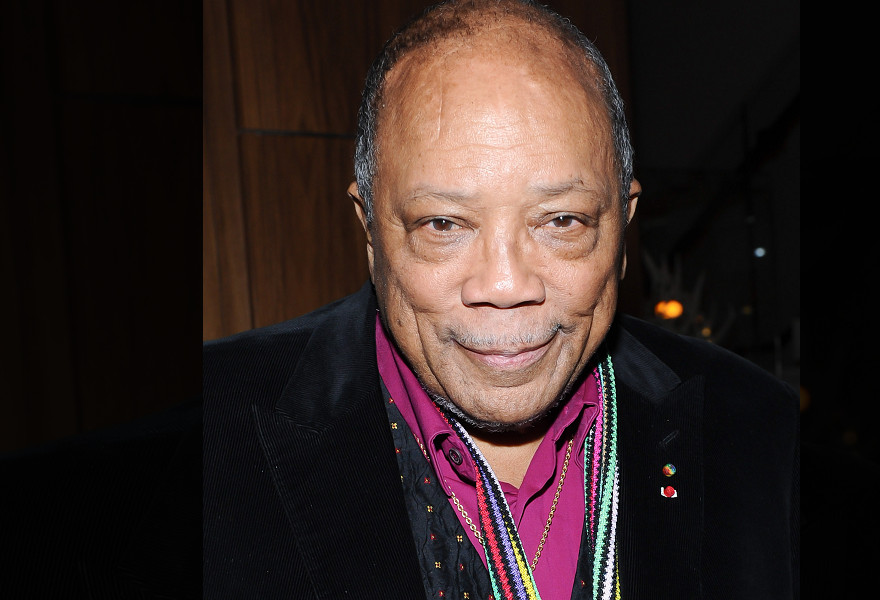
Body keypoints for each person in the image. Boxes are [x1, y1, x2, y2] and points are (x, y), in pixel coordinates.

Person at [202, 1, 798, 599]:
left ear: (623, 228)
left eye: (562, 220)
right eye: (443, 225)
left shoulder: (759, 436)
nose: (507, 285)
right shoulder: (209, 440)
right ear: (368, 230)